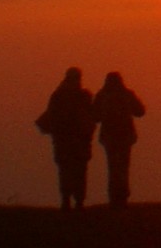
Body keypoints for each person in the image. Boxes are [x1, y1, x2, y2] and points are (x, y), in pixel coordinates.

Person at [35, 67, 96, 211]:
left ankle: (66, 200)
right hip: (79, 141)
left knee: (65, 171)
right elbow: (92, 115)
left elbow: (51, 114)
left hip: (63, 141)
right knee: (79, 171)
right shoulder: (84, 96)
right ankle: (78, 202)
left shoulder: (58, 95)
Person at [92, 72, 146, 209]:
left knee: (112, 166)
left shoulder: (103, 95)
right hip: (125, 136)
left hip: (109, 136)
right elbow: (140, 111)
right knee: (123, 166)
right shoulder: (126, 94)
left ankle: (114, 197)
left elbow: (94, 116)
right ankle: (122, 196)